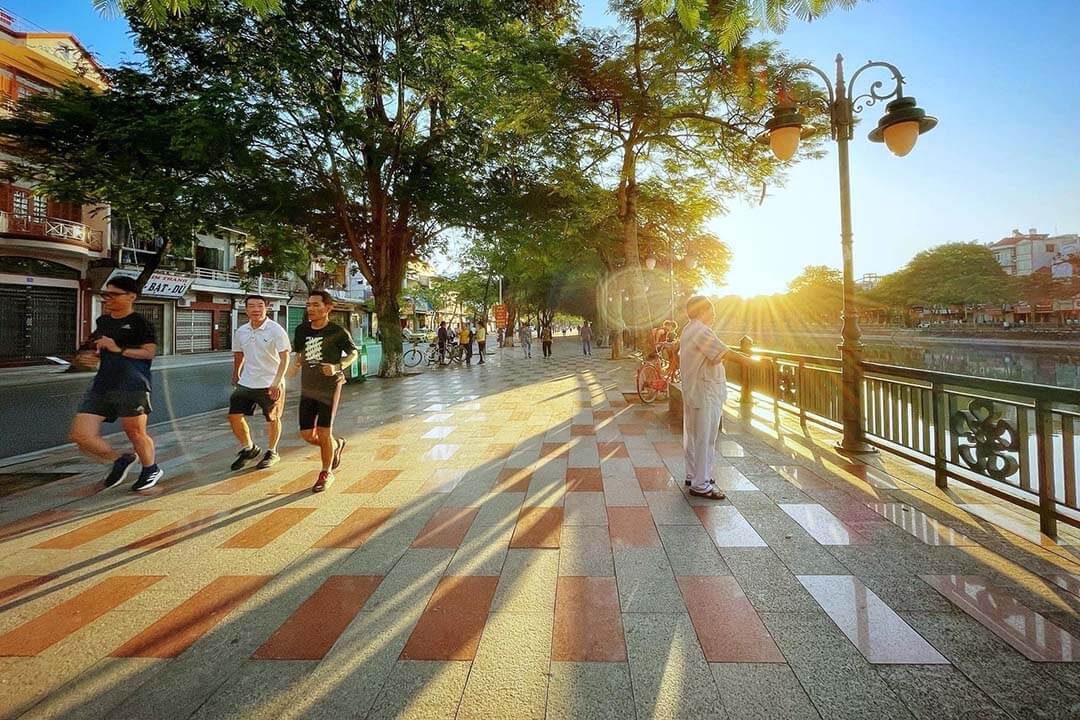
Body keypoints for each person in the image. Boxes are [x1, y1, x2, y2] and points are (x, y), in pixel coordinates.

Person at [69, 275, 163, 491]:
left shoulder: (141, 323)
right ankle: (119, 460)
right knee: (81, 434)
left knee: (136, 433)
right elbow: (96, 347)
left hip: (133, 384)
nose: (108, 298)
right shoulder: (103, 322)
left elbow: (149, 353)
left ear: (131, 296)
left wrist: (117, 349)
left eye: (114, 294)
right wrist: (90, 357)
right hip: (102, 383)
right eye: (106, 294)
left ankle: (151, 469)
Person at [289, 290, 358, 492]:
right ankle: (335, 445)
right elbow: (300, 354)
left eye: (316, 305)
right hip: (308, 386)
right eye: (309, 305)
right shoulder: (301, 330)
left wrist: (338, 367)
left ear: (328, 308)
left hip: (329, 386)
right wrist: (294, 366)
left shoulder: (338, 331)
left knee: (323, 431)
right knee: (307, 435)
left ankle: (326, 472)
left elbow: (353, 353)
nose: (311, 309)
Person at [679, 295, 747, 500]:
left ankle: (696, 475)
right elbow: (723, 352)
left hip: (695, 390)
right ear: (701, 311)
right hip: (705, 392)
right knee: (706, 438)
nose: (714, 313)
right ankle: (702, 484)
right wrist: (752, 362)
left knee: (693, 437)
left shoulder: (688, 328)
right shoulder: (701, 330)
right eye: (711, 309)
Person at [228, 295, 291, 471]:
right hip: (247, 382)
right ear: (246, 309)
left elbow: (285, 357)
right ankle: (249, 448)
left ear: (267, 308)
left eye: (260, 306)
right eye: (252, 306)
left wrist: (277, 382)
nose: (256, 309)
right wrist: (236, 374)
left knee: (272, 418)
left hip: (270, 381)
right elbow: (239, 354)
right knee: (234, 416)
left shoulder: (275, 330)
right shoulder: (241, 331)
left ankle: (272, 451)